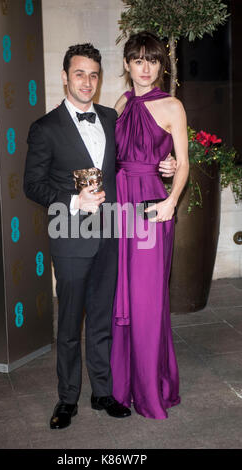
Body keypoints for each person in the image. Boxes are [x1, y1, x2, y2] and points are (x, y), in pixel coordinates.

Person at [24, 43, 176, 429]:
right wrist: (74, 200)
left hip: (113, 234)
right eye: (79, 73)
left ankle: (103, 392)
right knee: (70, 322)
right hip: (71, 235)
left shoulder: (113, 116)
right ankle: (67, 398)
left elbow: (139, 158)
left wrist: (167, 165)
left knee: (103, 321)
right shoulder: (44, 128)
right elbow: (32, 185)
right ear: (65, 77)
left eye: (93, 74)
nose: (87, 81)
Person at [110, 32, 189, 419]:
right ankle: (123, 387)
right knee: (120, 295)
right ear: (127, 65)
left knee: (146, 298)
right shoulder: (121, 103)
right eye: (139, 60)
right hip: (120, 204)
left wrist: (171, 201)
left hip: (151, 207)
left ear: (161, 66)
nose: (146, 68)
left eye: (153, 61)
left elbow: (183, 162)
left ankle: (151, 390)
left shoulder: (173, 105)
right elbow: (110, 156)